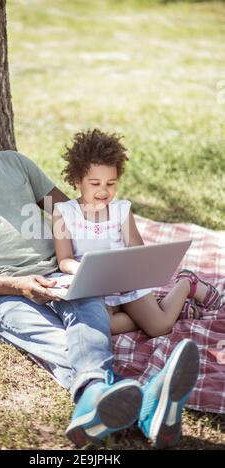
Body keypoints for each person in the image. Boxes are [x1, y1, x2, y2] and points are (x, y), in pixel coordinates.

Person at [0, 85, 200, 449]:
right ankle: (147, 400)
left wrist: (111, 249)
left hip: (61, 275)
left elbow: (71, 212)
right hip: (6, 296)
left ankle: (98, 400)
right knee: (60, 338)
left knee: (86, 318)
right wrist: (20, 284)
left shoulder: (14, 163)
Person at [52, 129, 221, 336]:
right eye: (95, 184)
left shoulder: (120, 210)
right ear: (77, 181)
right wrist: (85, 271)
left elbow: (136, 248)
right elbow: (64, 260)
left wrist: (128, 276)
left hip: (126, 283)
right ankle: (167, 308)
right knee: (105, 325)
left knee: (160, 327)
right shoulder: (63, 212)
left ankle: (186, 283)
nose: (104, 191)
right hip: (93, 286)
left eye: (111, 183)